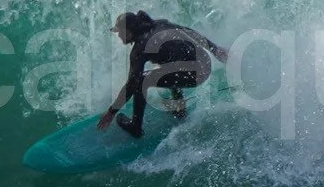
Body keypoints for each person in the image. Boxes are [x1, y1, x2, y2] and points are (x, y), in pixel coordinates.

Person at [98, 11, 228, 138]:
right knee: (168, 65)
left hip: (195, 75)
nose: (119, 36)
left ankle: (135, 126)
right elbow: (189, 32)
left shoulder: (139, 49)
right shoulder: (160, 24)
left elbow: (132, 84)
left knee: (141, 80)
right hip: (205, 63)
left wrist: (111, 112)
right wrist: (214, 49)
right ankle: (179, 109)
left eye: (120, 32)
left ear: (129, 31)